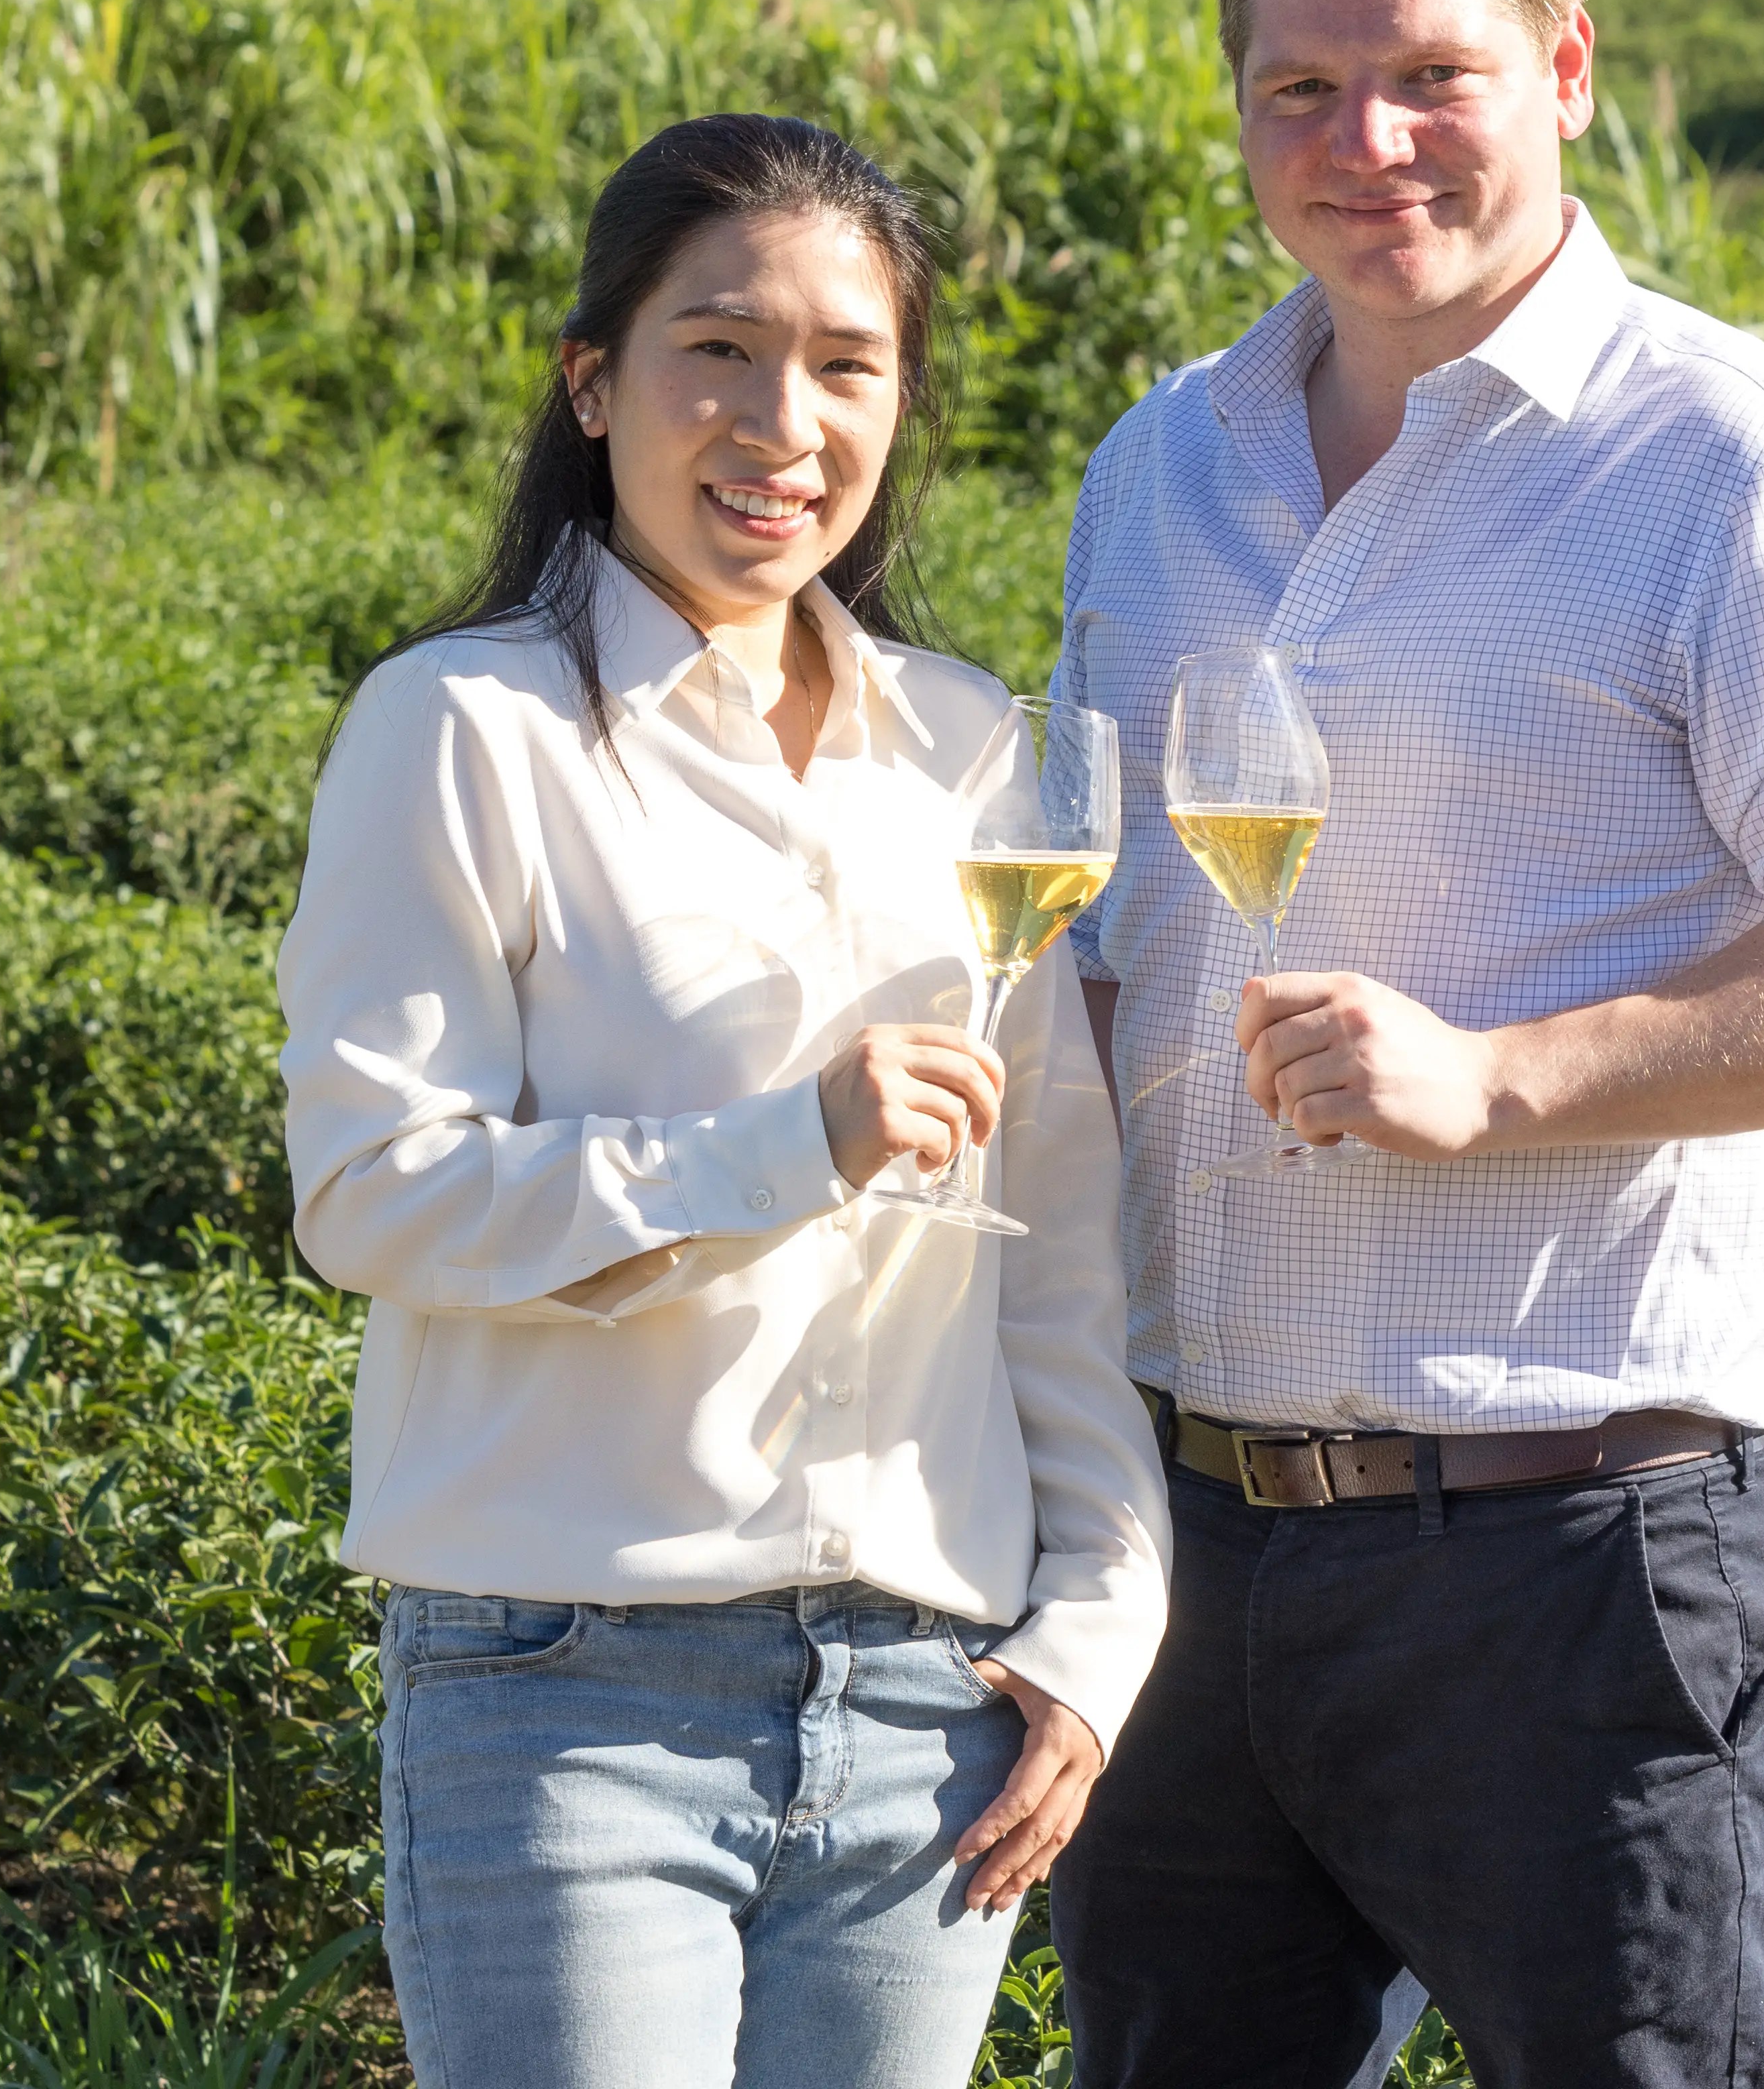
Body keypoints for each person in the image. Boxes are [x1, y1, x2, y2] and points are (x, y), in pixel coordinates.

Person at [1046, 0, 1764, 2088]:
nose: (1366, 143)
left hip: (1572, 1558)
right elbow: (1113, 940)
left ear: (1567, 72)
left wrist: (1504, 1076)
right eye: (1302, 90)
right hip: (1184, 1540)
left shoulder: (1734, 462)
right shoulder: (1161, 463)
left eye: (1431, 80)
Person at [278, 113, 1170, 2089]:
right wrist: (789, 1150)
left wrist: (1098, 1637)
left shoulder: (968, 752)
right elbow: (371, 1191)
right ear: (594, 383)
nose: (785, 420)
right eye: (720, 350)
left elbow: (1059, 1258)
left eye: (850, 366)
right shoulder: (463, 729)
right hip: (569, 1694)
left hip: (930, 1705)